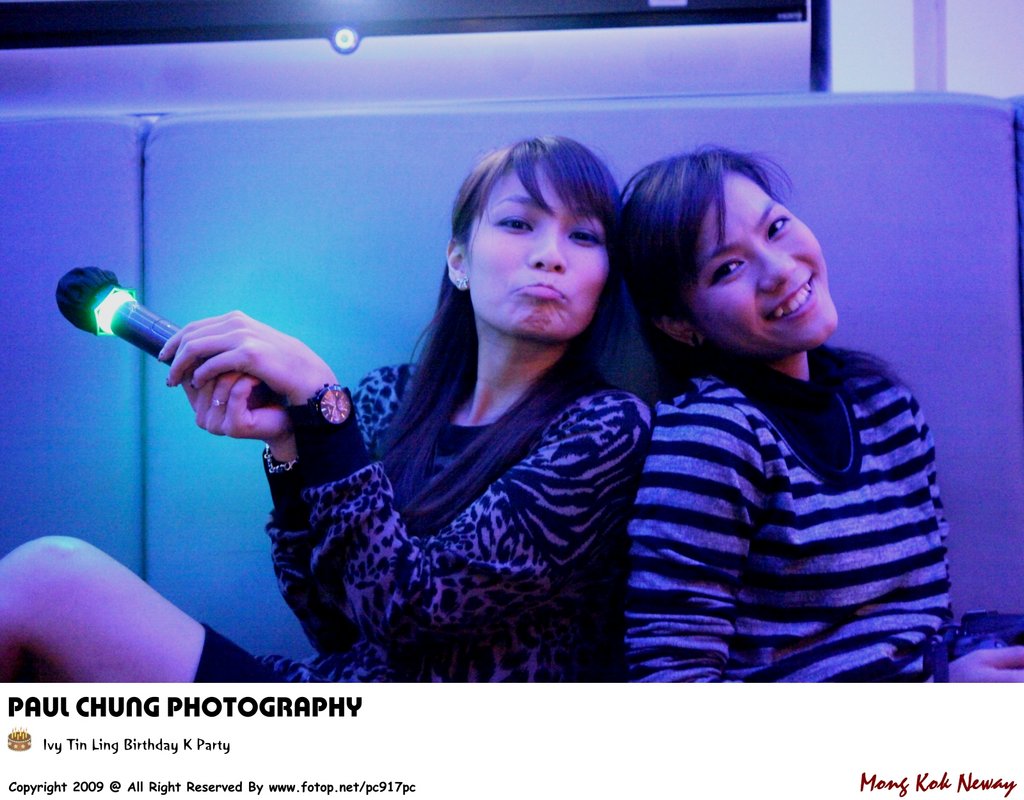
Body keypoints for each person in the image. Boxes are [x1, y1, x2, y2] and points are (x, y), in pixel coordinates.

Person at [0, 136, 650, 682]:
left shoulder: (605, 428)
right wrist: (289, 451)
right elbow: (332, 625)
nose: (550, 255)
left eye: (583, 236)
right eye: (518, 223)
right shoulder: (392, 397)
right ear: (458, 259)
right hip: (329, 699)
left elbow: (411, 612)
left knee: (50, 576)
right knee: (46, 596)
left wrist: (324, 405)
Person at [618, 146, 1024, 682]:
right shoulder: (711, 440)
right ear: (678, 324)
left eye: (776, 228)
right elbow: (670, 683)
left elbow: (921, 628)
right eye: (728, 268)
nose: (781, 269)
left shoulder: (888, 410)